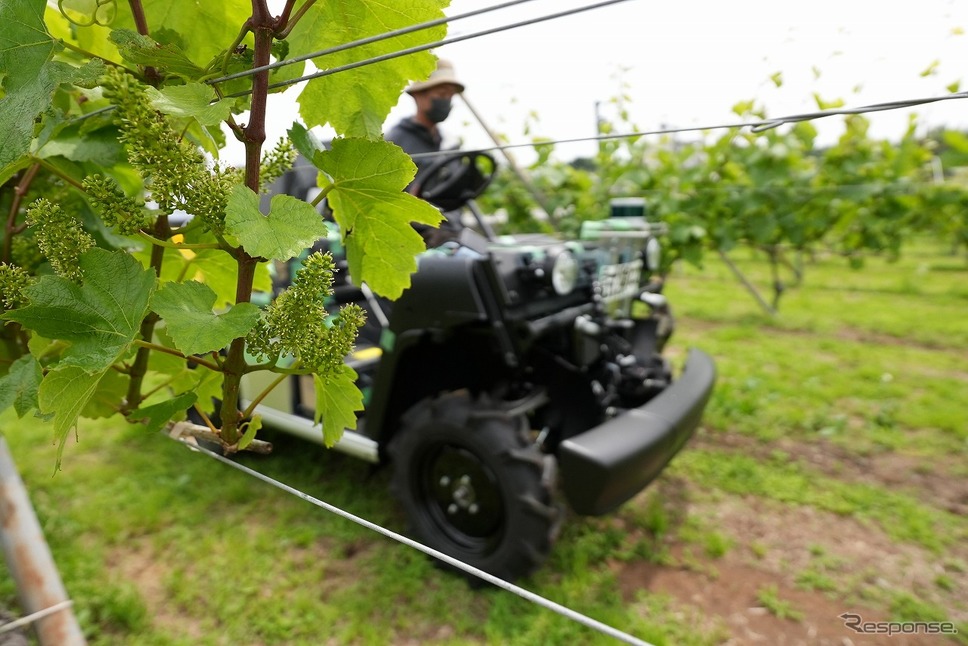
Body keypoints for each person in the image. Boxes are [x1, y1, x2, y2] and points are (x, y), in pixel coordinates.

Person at [386, 59, 464, 188]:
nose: (447, 101)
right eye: (442, 94)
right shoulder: (394, 143)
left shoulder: (449, 143)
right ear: (418, 94)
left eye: (451, 95)